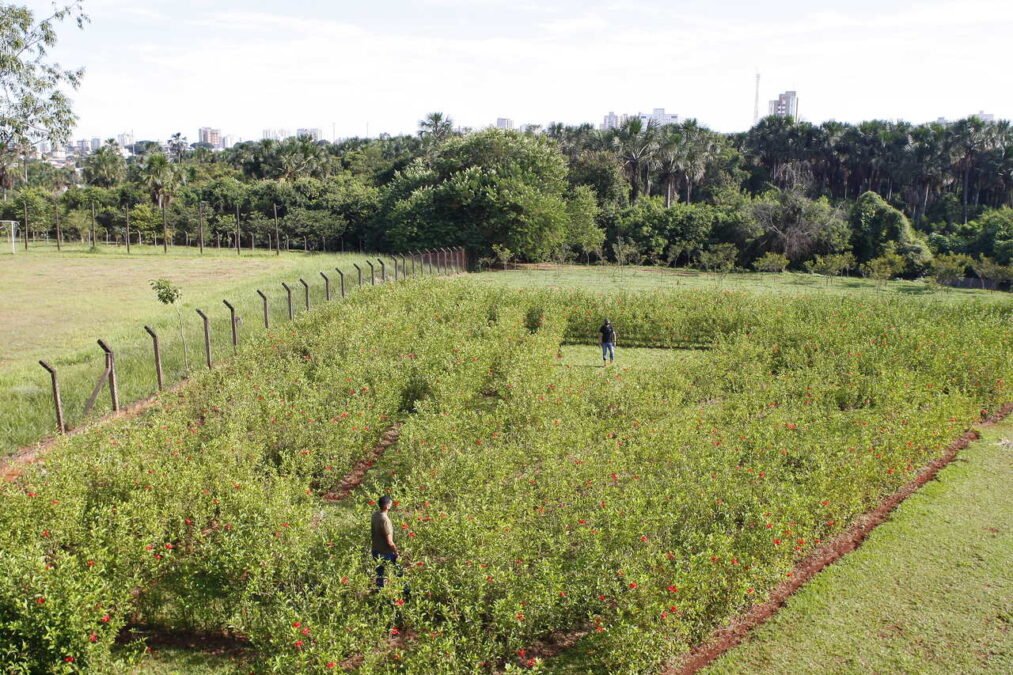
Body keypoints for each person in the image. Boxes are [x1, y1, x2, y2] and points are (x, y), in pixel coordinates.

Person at [371, 495, 399, 588]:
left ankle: (379, 592)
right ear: (387, 506)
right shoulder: (385, 520)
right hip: (385, 552)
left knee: (380, 574)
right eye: (390, 503)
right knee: (399, 571)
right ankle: (405, 593)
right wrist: (396, 552)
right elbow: (390, 542)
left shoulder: (375, 515)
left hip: (375, 549)